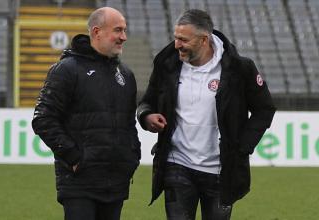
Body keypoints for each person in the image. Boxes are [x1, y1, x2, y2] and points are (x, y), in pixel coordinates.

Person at [137, 9, 276, 220]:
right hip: (177, 165)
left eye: (183, 39)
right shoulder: (167, 64)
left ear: (203, 40)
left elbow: (264, 109)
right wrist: (146, 117)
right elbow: (147, 102)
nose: (176, 45)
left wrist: (242, 148)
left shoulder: (239, 68)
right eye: (175, 38)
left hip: (221, 171)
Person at [32, 7, 141, 220]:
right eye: (118, 30)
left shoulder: (126, 74)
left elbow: (129, 124)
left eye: (125, 30)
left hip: (116, 181)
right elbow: (43, 118)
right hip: (79, 182)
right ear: (97, 31)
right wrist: (75, 157)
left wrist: (131, 156)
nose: (124, 37)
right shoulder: (67, 69)